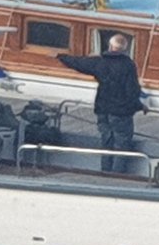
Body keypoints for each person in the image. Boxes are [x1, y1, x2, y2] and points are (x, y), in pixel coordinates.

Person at [57, 33, 148, 172]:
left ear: (110, 46)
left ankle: (105, 172)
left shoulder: (100, 62)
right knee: (122, 144)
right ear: (125, 49)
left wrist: (61, 56)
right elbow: (132, 91)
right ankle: (117, 175)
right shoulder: (128, 65)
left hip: (103, 109)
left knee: (106, 141)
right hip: (120, 112)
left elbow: (79, 63)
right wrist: (140, 106)